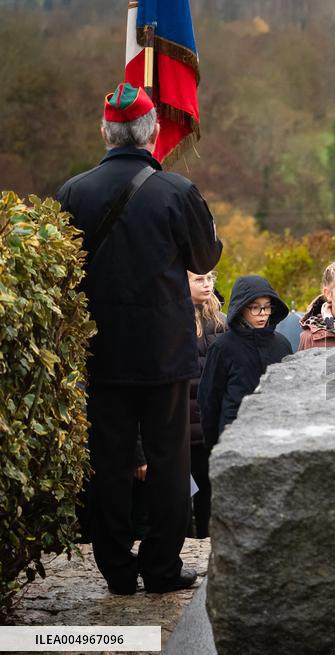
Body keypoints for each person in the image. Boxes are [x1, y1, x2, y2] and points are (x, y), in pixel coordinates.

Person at [56, 83, 222, 595]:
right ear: (153, 134)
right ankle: (161, 568)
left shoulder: (72, 193)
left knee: (109, 461)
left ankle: (116, 570)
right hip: (164, 353)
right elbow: (205, 259)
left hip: (101, 352)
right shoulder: (176, 192)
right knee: (171, 463)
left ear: (106, 133)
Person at [198, 276, 293, 450]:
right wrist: (213, 445)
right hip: (233, 437)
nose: (263, 313)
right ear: (241, 308)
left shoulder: (282, 344)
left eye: (267, 307)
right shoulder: (222, 347)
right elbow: (209, 399)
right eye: (255, 308)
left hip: (276, 437)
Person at [188, 272, 226, 538]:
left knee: (208, 497)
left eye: (210, 278)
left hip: (210, 426)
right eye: (199, 279)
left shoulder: (222, 323)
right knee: (180, 498)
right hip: (179, 427)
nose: (207, 284)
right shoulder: (174, 321)